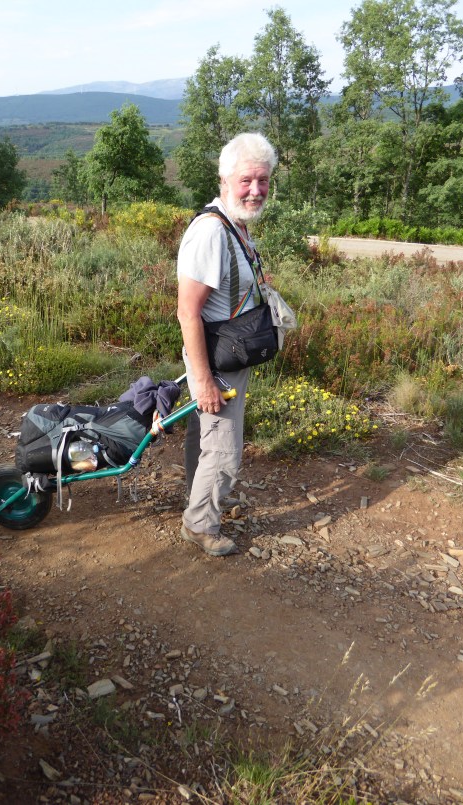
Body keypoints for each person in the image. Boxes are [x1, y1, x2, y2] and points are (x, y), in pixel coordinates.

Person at [176, 132, 277, 557]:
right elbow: (188, 311)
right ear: (224, 179)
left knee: (210, 436)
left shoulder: (234, 224)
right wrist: (203, 380)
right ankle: (200, 525)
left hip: (228, 352)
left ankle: (201, 498)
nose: (256, 190)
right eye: (247, 181)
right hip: (215, 358)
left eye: (264, 181)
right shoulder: (211, 233)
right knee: (224, 448)